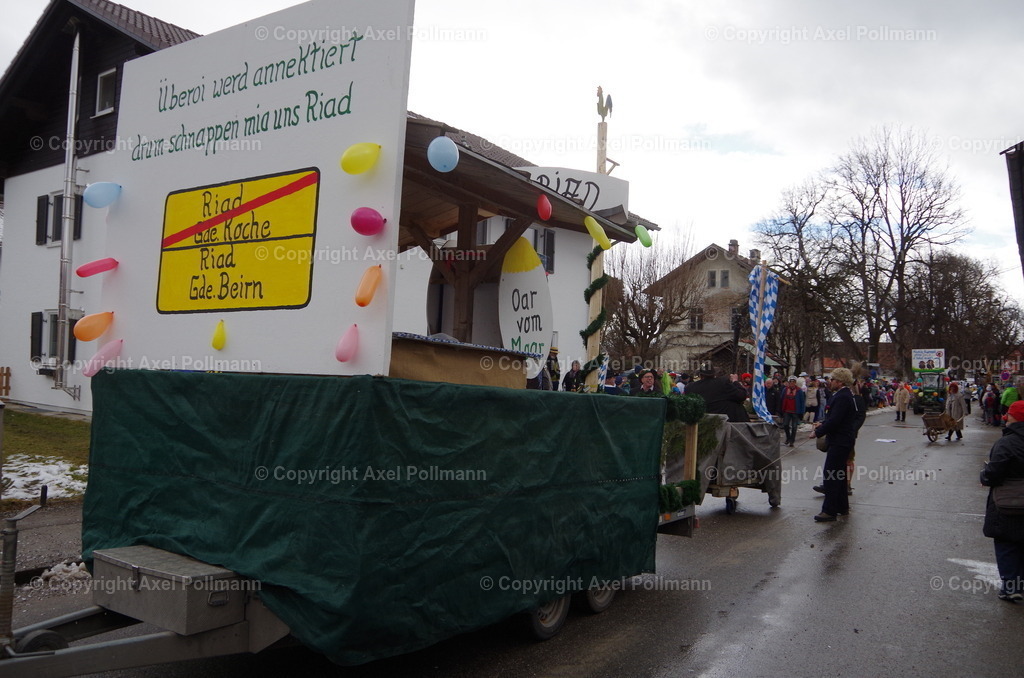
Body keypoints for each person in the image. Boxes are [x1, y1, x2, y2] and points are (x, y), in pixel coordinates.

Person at [980, 399, 1024, 602]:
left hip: (1008, 502)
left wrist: (985, 475)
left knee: (1007, 544)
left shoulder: (1006, 443)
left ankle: (1012, 588)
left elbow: (994, 473)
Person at [809, 368, 859, 521]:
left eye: (833, 380)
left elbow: (836, 421)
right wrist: (822, 424)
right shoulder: (843, 395)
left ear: (840, 382)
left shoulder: (843, 397)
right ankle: (842, 507)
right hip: (842, 440)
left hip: (840, 441)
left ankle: (829, 511)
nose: (830, 382)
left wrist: (818, 432)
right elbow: (835, 418)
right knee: (839, 475)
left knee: (830, 476)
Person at [685, 365, 750, 422]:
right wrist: (735, 381)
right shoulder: (722, 383)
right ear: (714, 374)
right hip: (726, 422)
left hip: (701, 421)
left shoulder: (690, 387)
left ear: (700, 375)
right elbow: (742, 396)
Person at [780, 376, 806, 446]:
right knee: (785, 425)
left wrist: (802, 412)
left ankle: (792, 440)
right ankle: (788, 437)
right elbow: (782, 399)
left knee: (794, 427)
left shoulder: (799, 391)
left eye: (793, 382)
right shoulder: (785, 390)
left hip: (795, 411)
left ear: (795, 383)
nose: (792, 383)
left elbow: (802, 401)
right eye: (790, 382)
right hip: (787, 411)